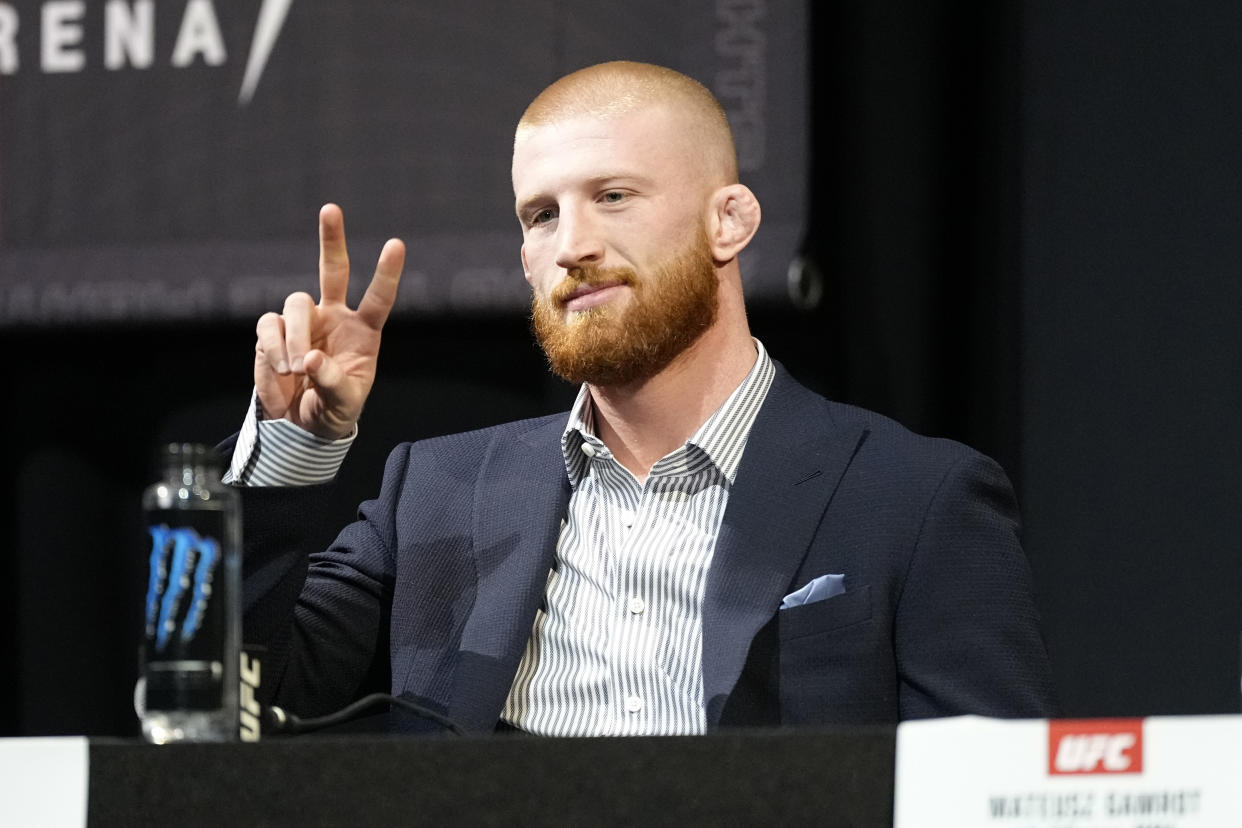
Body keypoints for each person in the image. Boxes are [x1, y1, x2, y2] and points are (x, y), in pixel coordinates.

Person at [229, 61, 1057, 736]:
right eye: (541, 215)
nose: (574, 246)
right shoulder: (436, 494)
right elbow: (244, 700)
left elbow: (983, 799)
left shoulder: (915, 497)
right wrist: (292, 448)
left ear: (728, 220)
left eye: (614, 197)